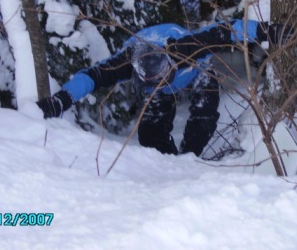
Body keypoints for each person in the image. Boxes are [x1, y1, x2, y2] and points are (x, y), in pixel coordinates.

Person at [37, 19, 284, 156]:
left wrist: (265, 30)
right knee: (150, 135)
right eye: (151, 84)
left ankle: (190, 159)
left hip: (195, 72)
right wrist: (62, 99)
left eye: (162, 81)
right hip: (151, 69)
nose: (160, 87)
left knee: (204, 114)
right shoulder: (126, 62)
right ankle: (168, 167)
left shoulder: (186, 47)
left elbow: (225, 31)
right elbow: (93, 76)